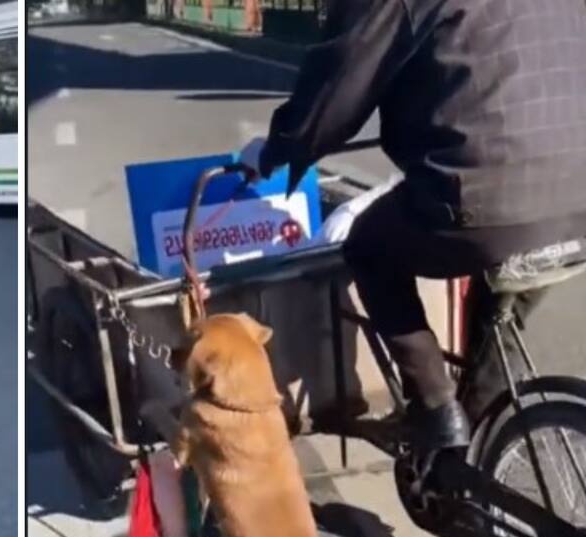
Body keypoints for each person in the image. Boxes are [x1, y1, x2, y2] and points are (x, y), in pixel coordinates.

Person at [238, 0, 586, 468]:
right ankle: (476, 452)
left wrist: (276, 149)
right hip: (577, 195)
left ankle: (435, 410)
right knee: (500, 309)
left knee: (369, 246)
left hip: (486, 191)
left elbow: (336, 89)